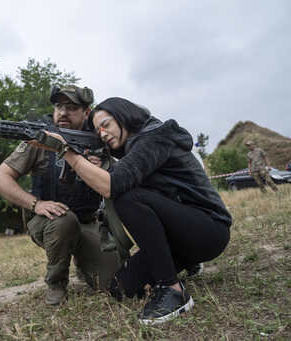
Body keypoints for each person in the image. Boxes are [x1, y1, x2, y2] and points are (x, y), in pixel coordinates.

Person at [34, 97, 232, 324]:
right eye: (98, 131)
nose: (103, 134)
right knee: (122, 288)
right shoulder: (134, 148)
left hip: (209, 230)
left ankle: (173, 289)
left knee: (125, 196)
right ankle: (186, 262)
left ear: (123, 115)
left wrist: (64, 150)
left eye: (106, 125)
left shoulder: (156, 137)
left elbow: (111, 186)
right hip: (181, 238)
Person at [0, 85, 121, 305]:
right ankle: (57, 283)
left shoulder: (98, 140)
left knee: (115, 284)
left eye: (71, 107)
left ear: (86, 113)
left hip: (88, 222)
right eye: (59, 106)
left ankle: (83, 262)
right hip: (49, 222)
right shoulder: (39, 139)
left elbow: (118, 182)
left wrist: (103, 168)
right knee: (64, 218)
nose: (63, 112)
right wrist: (36, 204)